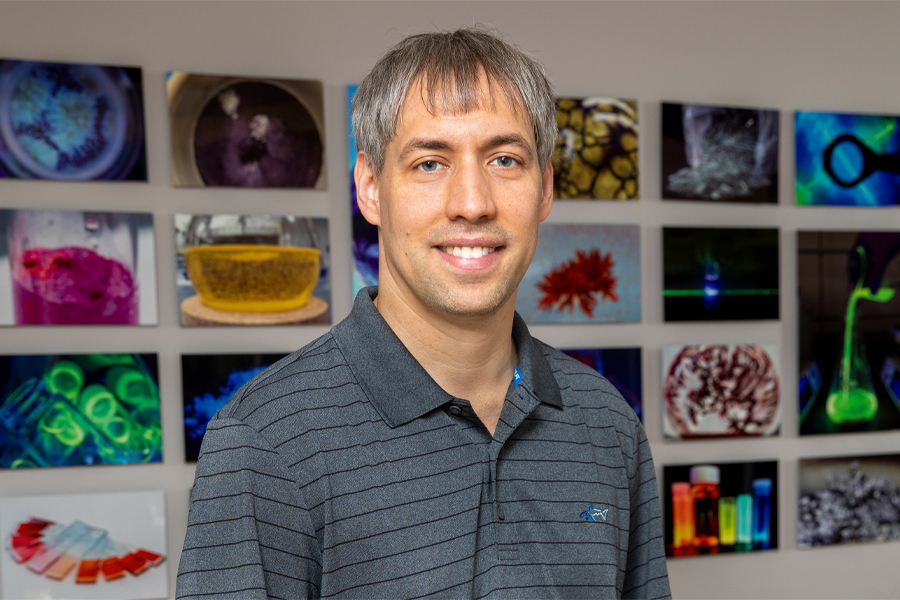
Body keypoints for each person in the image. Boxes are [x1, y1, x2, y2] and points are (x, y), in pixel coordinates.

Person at [177, 28, 671, 600]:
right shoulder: (265, 441)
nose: (472, 202)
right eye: (431, 162)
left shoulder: (606, 424)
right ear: (369, 188)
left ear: (544, 191)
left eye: (505, 159)